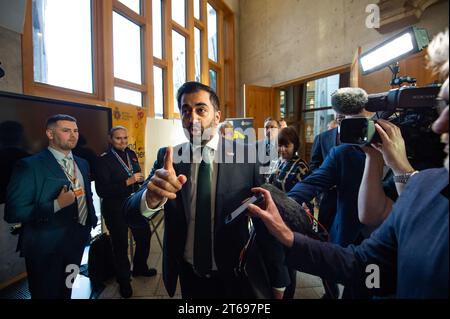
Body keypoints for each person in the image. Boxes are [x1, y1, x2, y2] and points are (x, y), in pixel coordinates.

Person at [247, 29, 449, 299]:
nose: (440, 124)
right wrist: (286, 214)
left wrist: (402, 170)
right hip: (352, 243)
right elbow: (316, 184)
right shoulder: (348, 154)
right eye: (442, 105)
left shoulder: (426, 172)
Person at [124, 81, 289, 299]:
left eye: (201, 110)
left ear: (217, 117)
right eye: (185, 111)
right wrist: (151, 198)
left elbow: (268, 221)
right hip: (188, 273)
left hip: (235, 271)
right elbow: (130, 213)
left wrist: (278, 277)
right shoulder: (168, 158)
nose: (193, 119)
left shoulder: (248, 158)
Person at [288, 87, 386, 298]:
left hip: (385, 238)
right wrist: (284, 204)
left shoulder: (399, 149)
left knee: (371, 286)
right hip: (347, 227)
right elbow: (311, 182)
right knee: (347, 278)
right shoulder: (340, 153)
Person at [4, 114, 98, 299]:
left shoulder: (83, 163)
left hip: (77, 241)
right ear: (50, 133)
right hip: (45, 247)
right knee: (45, 294)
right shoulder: (29, 166)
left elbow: (86, 195)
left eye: (76, 131)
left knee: (67, 287)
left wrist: (90, 221)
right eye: (66, 130)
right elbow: (13, 212)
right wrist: (56, 204)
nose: (73, 135)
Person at [94, 126, 155, 298]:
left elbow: (135, 175)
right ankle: (124, 281)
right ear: (110, 139)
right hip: (115, 208)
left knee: (144, 236)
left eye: (125, 138)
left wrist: (140, 181)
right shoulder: (103, 160)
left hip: (134, 205)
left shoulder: (131, 154)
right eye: (118, 138)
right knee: (120, 246)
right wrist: (127, 182)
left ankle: (140, 267)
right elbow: (102, 191)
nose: (123, 141)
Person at [267, 126, 309, 299]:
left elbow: (306, 198)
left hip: (293, 221)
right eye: (280, 145)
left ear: (295, 146)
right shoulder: (278, 162)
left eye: (287, 146)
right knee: (279, 260)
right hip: (275, 217)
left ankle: (289, 294)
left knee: (291, 262)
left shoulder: (301, 167)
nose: (282, 149)